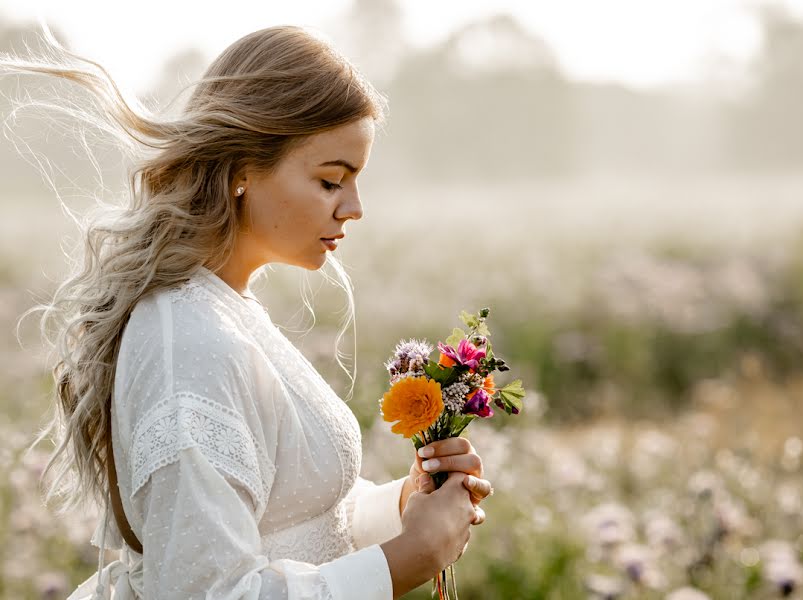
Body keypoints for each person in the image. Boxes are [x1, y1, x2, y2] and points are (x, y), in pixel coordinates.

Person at [3, 23, 494, 599]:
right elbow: (208, 591)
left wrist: (407, 504)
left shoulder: (223, 309)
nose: (354, 208)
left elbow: (295, 524)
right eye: (331, 180)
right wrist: (405, 560)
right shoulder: (189, 342)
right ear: (241, 169)